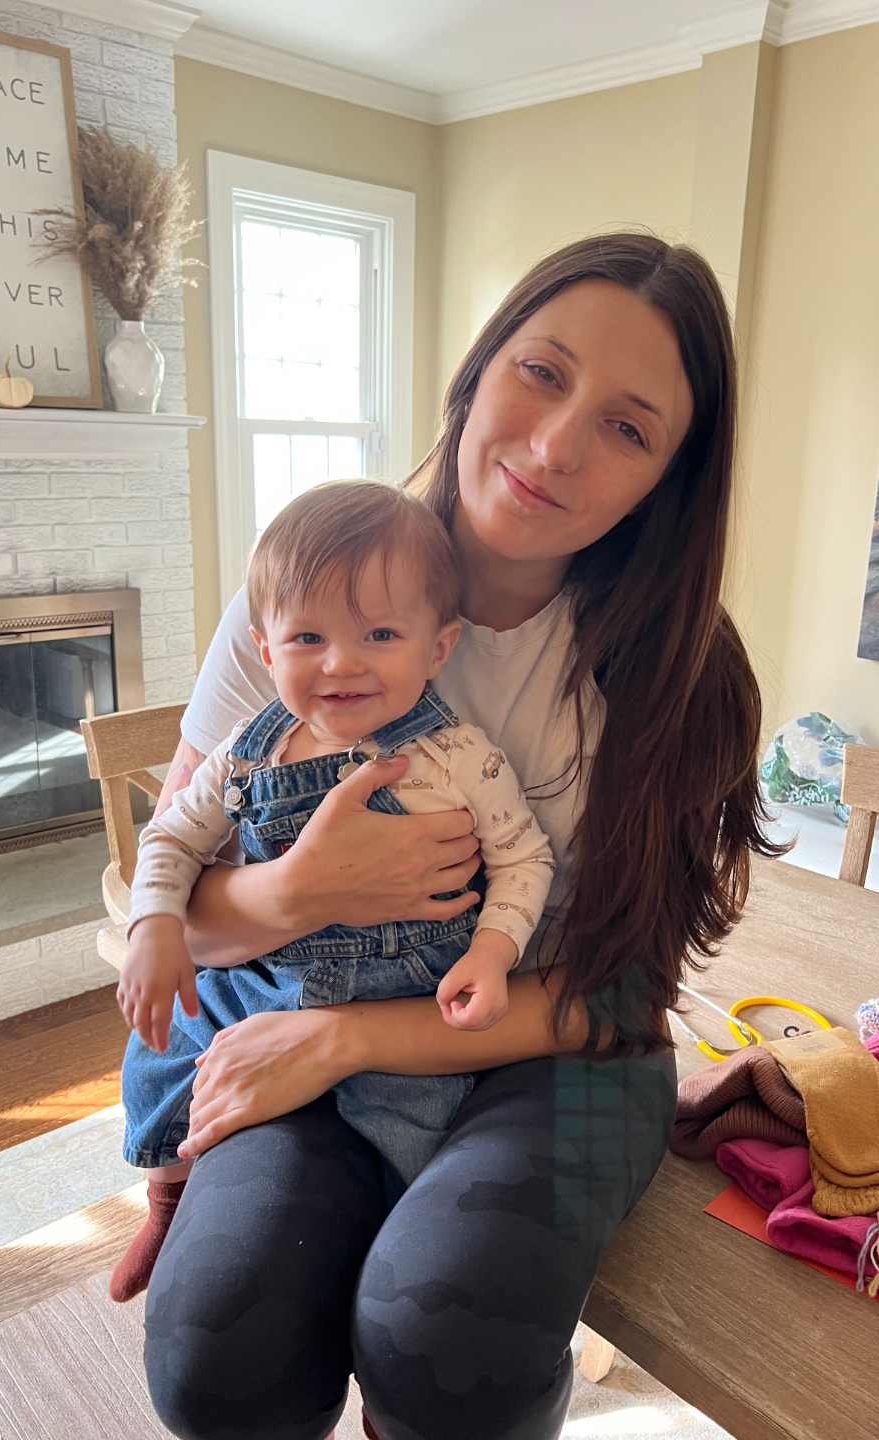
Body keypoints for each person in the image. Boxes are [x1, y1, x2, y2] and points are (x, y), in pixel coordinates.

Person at [141, 233, 779, 1440]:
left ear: (665, 479)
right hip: (299, 1002)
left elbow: (621, 998)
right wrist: (294, 898)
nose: (554, 446)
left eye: (626, 428)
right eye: (541, 373)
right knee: (215, 1355)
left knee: (446, 1344)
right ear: (477, 370)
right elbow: (174, 900)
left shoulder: (678, 675)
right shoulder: (301, 598)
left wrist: (345, 1039)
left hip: (556, 1046)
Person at [110, 481, 554, 1302]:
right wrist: (154, 927)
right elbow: (172, 837)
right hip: (263, 979)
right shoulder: (248, 752)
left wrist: (494, 954)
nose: (342, 663)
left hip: (405, 996)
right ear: (265, 649)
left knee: (413, 1152)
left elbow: (524, 859)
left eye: (380, 634)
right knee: (160, 1046)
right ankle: (168, 1203)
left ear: (438, 647)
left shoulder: (459, 756)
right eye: (308, 637)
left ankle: (375, 1279)